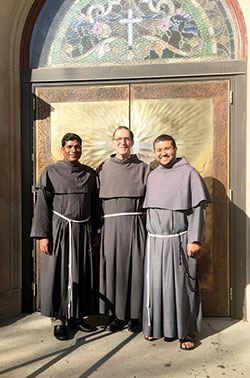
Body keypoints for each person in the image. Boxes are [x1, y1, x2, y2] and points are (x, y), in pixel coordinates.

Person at [142, 134, 211, 350]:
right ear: (155, 153)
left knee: (183, 288)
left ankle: (186, 333)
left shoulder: (189, 173)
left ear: (175, 148)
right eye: (159, 150)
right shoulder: (152, 176)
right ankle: (157, 327)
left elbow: (197, 209)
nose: (163, 153)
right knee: (157, 286)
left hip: (180, 241)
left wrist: (195, 239)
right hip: (155, 242)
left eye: (167, 148)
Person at [30, 133, 100, 341]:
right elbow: (42, 205)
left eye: (77, 146)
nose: (73, 150)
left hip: (82, 231)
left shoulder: (89, 174)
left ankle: (77, 316)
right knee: (57, 274)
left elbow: (96, 207)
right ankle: (58, 320)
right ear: (62, 148)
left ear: (81, 149)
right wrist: (44, 235)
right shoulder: (51, 172)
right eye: (69, 146)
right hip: (59, 230)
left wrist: (95, 232)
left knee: (81, 272)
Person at [98, 126, 151, 332]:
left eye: (127, 139)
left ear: (132, 142)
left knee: (136, 270)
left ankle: (135, 316)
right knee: (113, 270)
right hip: (110, 226)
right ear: (113, 142)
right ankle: (116, 315)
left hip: (136, 224)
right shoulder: (103, 168)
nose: (123, 143)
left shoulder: (144, 168)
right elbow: (95, 202)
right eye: (119, 139)